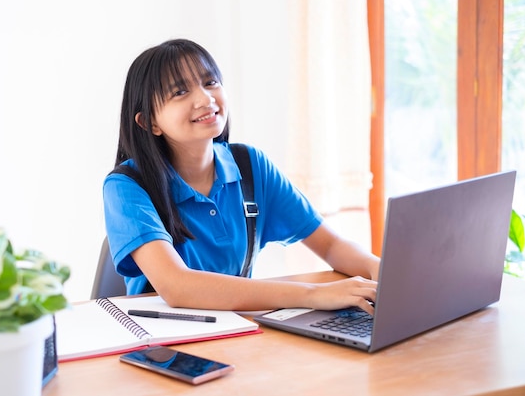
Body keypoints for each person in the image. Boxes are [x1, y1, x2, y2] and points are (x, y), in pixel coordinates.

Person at [103, 38, 379, 315]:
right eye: (180, 92)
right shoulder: (126, 186)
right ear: (150, 122)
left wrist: (379, 270)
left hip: (241, 331)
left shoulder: (250, 165)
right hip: (166, 346)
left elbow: (330, 244)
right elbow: (177, 286)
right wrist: (313, 295)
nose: (205, 98)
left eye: (210, 82)